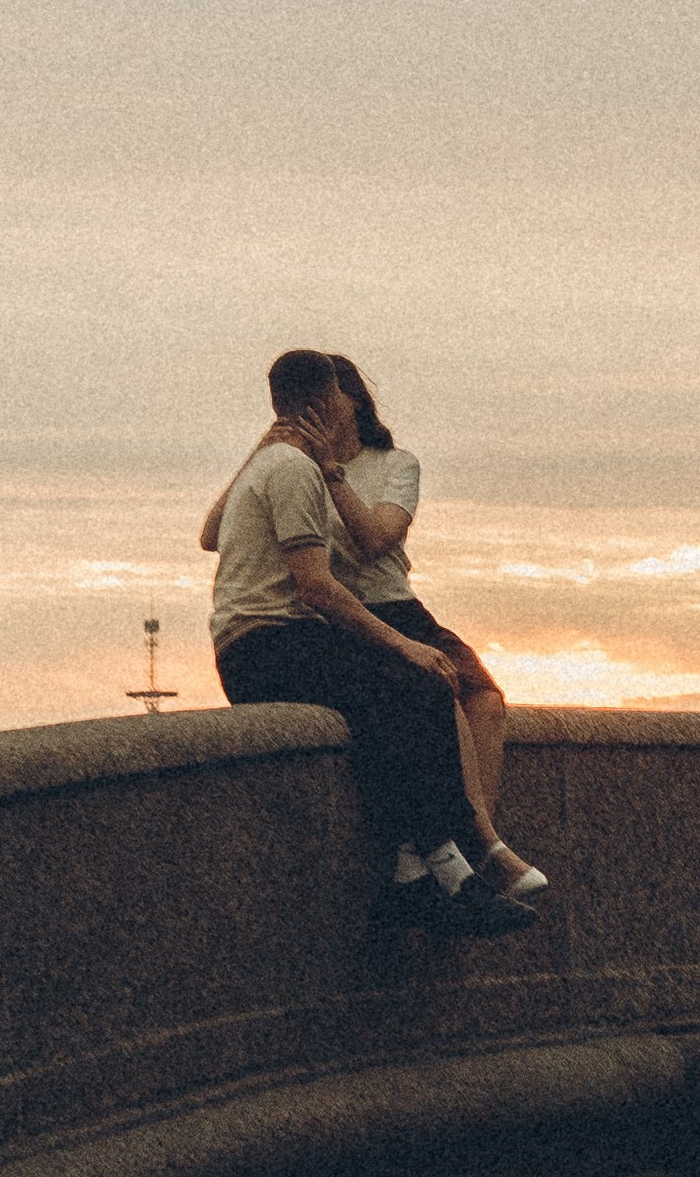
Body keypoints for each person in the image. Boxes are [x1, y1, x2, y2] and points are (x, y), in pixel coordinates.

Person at [201, 350, 533, 937]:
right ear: (330, 402)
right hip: (279, 638)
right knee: (417, 687)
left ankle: (418, 872)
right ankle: (455, 866)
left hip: (277, 638)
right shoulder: (290, 469)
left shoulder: (342, 465)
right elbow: (318, 587)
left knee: (412, 703)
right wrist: (404, 648)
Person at [317, 355, 546, 903]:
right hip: (344, 614)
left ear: (353, 400)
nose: (321, 408)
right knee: (433, 697)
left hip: (400, 607)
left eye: (330, 395)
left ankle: (466, 848)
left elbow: (377, 538)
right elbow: (214, 532)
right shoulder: (292, 468)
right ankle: (474, 852)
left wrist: (333, 474)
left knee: (485, 701)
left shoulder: (396, 464)